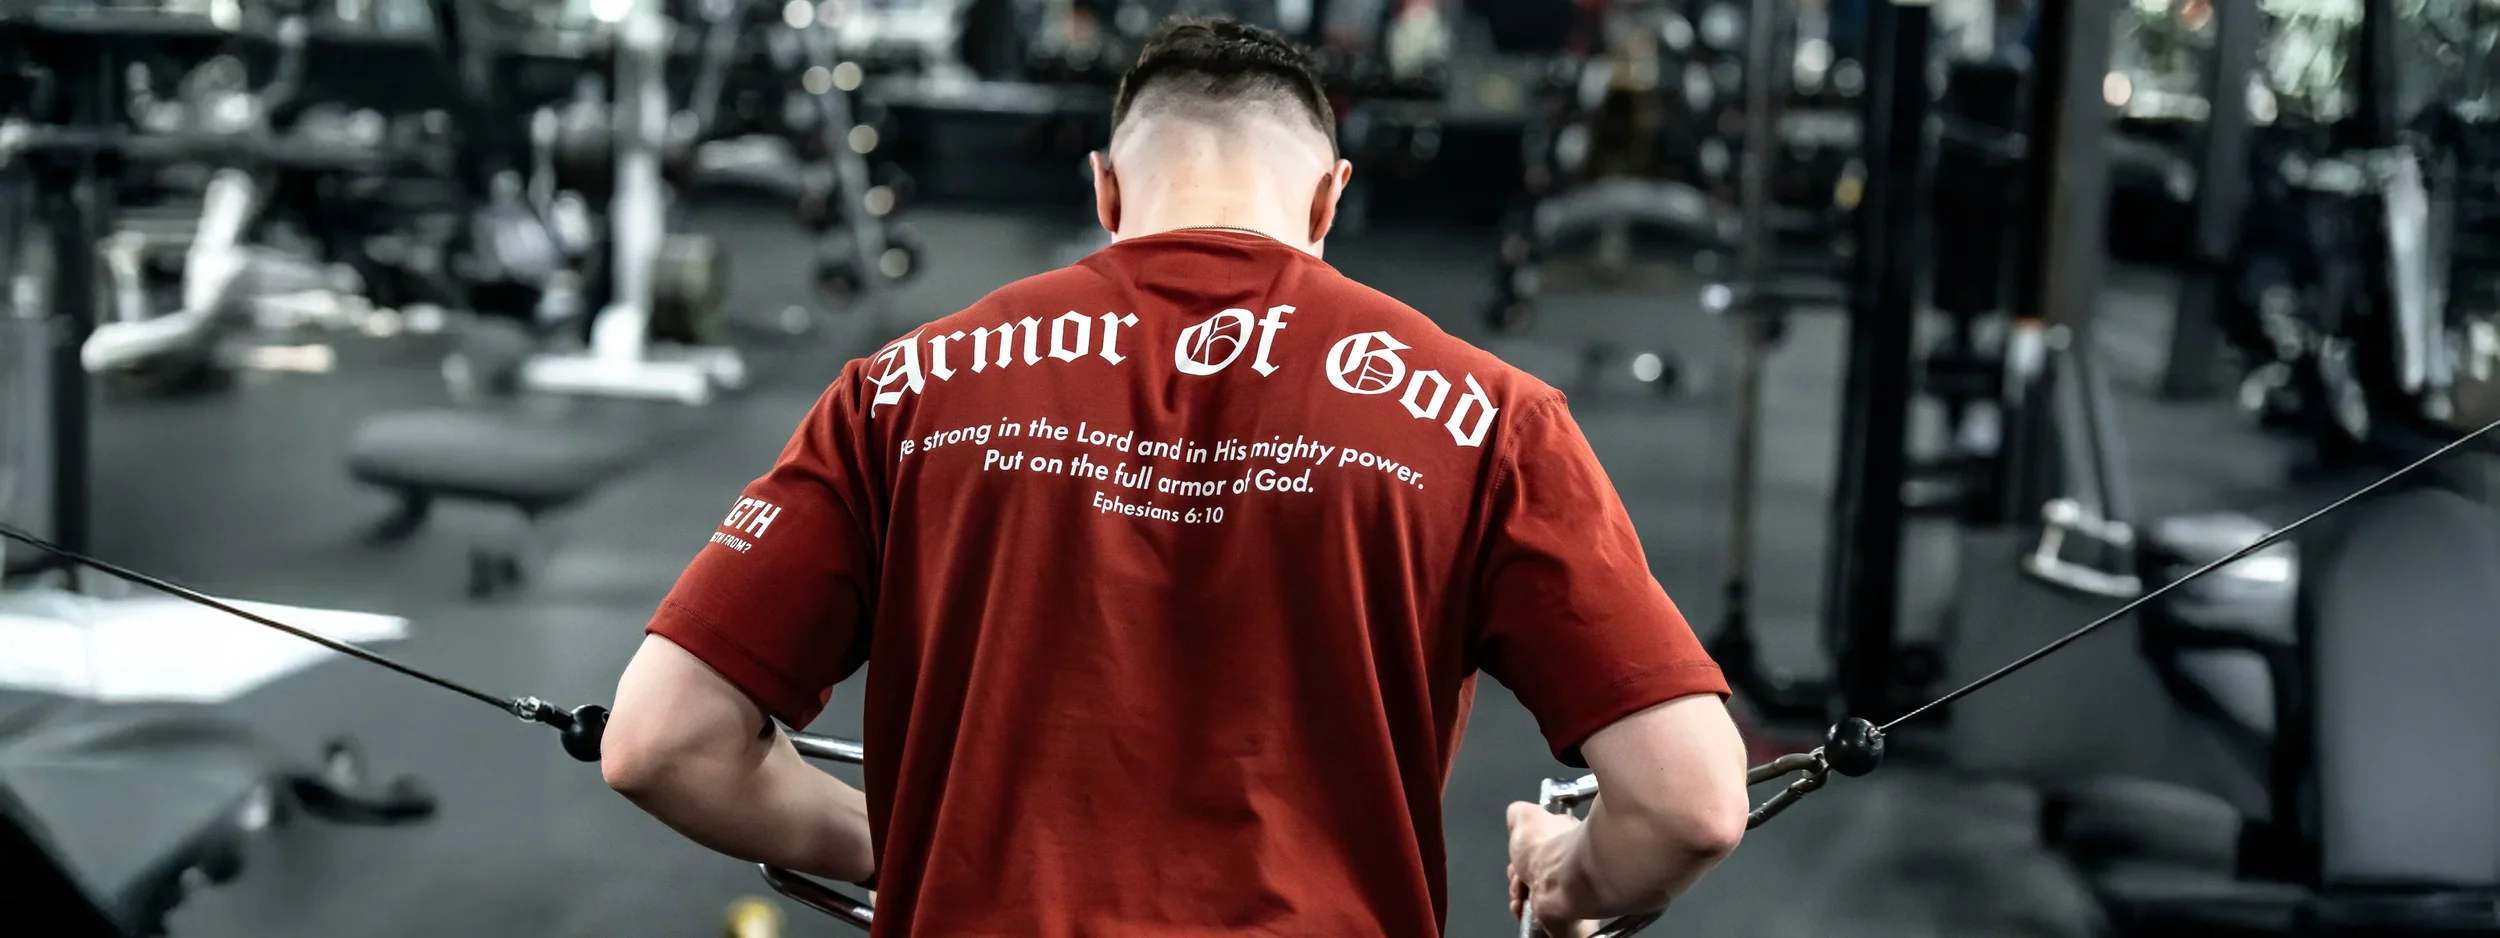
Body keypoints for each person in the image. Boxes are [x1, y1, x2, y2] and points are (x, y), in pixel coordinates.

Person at [598, 17, 1750, 937]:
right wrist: (1569, 876)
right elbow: (1689, 800)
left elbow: (663, 742)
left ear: (1105, 191)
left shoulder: (904, 385)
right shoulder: (1490, 415)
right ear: (1328, 199)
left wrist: (909, 842)